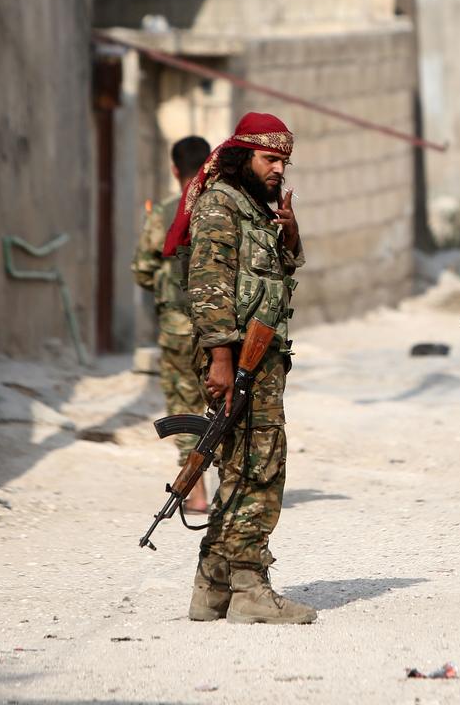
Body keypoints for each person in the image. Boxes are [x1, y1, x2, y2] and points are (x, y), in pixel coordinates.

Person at [163, 112, 316, 624]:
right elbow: (208, 285)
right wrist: (223, 360)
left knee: (242, 466)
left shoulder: (255, 207)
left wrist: (290, 235)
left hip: (262, 356)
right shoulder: (221, 205)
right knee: (258, 467)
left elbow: (275, 272)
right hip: (237, 358)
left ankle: (212, 588)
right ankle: (249, 587)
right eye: (270, 159)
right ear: (242, 155)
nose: (278, 170)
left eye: (283, 161)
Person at [132, 136, 212, 513]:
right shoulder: (223, 209)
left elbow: (143, 270)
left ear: (174, 170)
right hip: (219, 326)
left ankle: (195, 491)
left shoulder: (164, 212)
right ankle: (228, 489)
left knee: (183, 404)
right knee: (222, 404)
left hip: (177, 326)